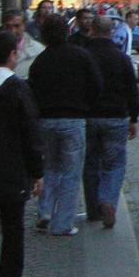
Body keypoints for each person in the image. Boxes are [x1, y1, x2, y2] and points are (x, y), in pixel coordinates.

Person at [0, 31, 44, 277]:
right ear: (13, 55)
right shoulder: (17, 88)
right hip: (11, 170)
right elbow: (30, 133)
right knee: (13, 231)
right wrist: (37, 171)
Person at [28, 14, 102, 236]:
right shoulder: (81, 56)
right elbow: (96, 84)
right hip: (73, 118)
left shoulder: (40, 60)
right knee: (71, 173)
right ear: (68, 32)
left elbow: (32, 90)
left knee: (49, 168)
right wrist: (86, 105)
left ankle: (45, 212)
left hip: (46, 120)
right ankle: (63, 223)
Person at [83, 16, 139, 228]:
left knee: (90, 163)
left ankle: (93, 209)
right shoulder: (121, 58)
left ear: (92, 30)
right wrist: (134, 117)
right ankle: (107, 200)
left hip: (89, 115)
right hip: (116, 116)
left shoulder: (84, 55)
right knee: (114, 164)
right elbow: (132, 89)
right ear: (111, 32)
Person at [0, 9, 45, 77]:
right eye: (8, 26)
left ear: (24, 26)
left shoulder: (38, 50)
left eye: (17, 26)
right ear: (3, 26)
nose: (12, 30)